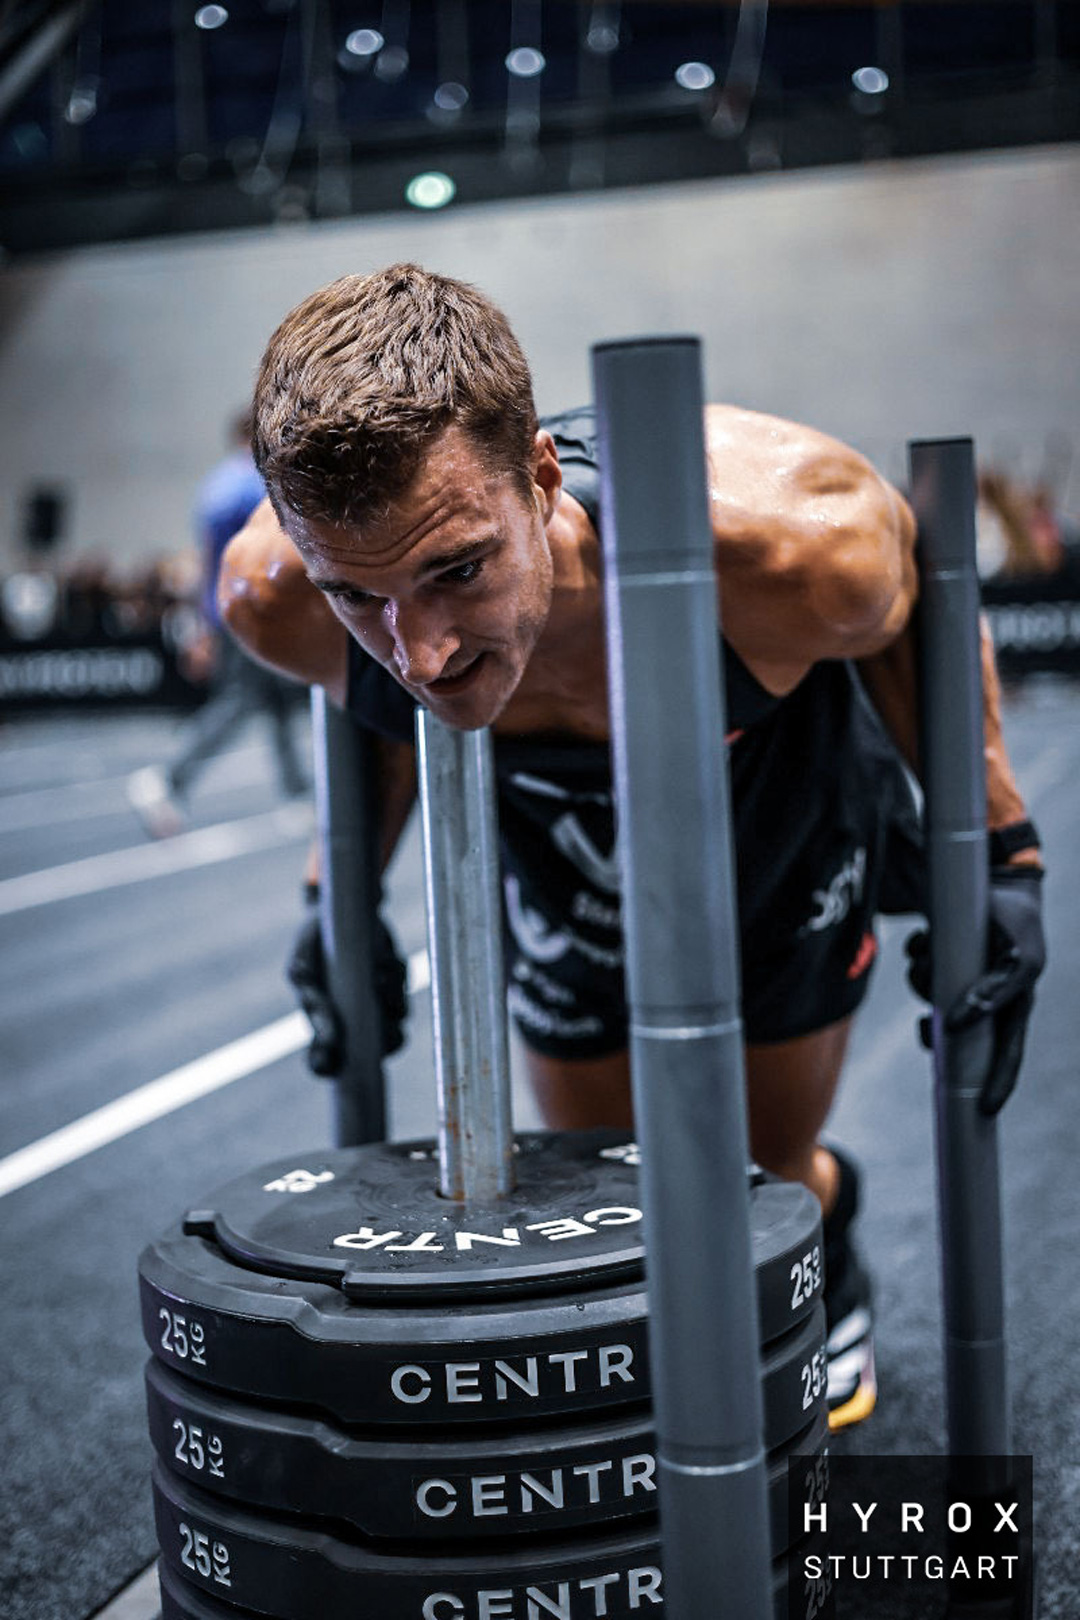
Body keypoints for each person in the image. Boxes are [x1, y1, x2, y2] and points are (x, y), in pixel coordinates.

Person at [218, 264, 1046, 1430]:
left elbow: (909, 618)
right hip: (543, 810)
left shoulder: (785, 554)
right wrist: (334, 897)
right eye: (361, 594)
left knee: (757, 1168)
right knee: (603, 1172)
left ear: (541, 478)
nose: (425, 649)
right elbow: (379, 704)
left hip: (770, 784)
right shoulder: (276, 596)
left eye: (460, 569)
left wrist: (1006, 856)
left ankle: (832, 1236)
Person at [127, 410, 308, 836]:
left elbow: (206, 561)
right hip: (249, 611)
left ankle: (297, 794)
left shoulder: (216, 483)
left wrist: (202, 624)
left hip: (227, 610)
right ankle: (169, 779)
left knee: (276, 704)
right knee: (240, 702)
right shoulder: (252, 485)